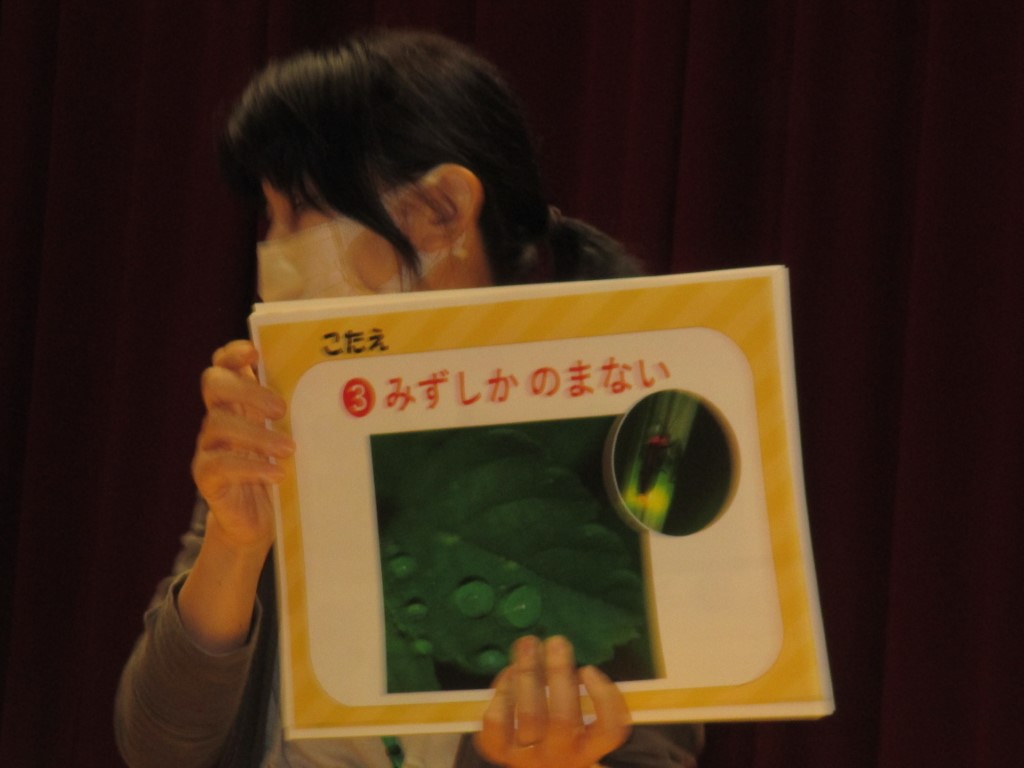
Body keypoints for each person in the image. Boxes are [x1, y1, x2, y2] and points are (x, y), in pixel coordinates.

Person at [114, 29, 703, 768]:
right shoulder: (290, 414)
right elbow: (158, 746)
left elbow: (657, 742)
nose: (271, 256)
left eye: (298, 213)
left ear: (440, 211)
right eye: (267, 218)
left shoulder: (623, 428)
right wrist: (233, 544)